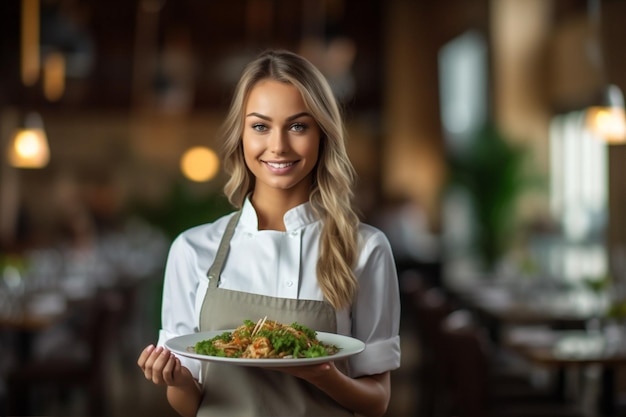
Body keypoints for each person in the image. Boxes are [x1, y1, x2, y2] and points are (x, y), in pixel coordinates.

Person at [137, 49, 401, 417]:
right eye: (260, 126)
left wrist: (323, 375)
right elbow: (188, 404)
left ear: (322, 134)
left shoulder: (365, 248)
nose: (278, 145)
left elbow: (377, 401)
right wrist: (176, 380)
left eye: (298, 126)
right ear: (241, 135)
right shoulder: (192, 249)